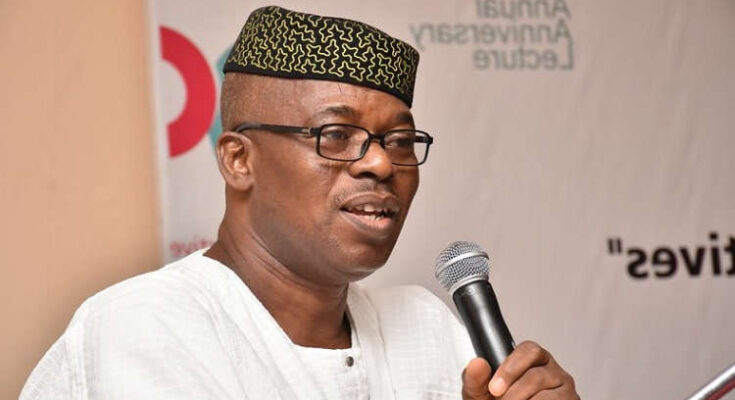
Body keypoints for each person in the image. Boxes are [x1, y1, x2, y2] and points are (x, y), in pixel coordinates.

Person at [21, 6, 579, 400]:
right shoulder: (149, 324)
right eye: (335, 134)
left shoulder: (426, 327)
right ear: (239, 160)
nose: (381, 163)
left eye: (401, 140)